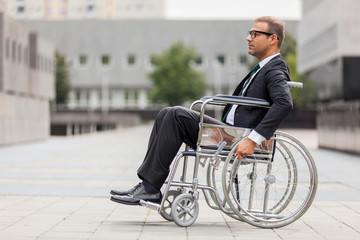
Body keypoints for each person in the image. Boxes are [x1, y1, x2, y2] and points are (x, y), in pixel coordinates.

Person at [110, 16, 293, 205]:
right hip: (230, 132)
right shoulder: (263, 68)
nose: (249, 38)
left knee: (175, 115)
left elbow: (284, 103)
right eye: (250, 33)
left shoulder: (274, 69)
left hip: (239, 137)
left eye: (255, 34)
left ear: (273, 39)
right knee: (166, 113)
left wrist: (253, 139)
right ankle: (147, 186)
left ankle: (149, 189)